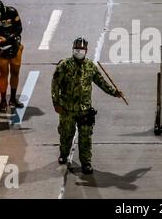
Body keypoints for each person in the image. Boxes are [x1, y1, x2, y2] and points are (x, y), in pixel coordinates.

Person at [51, 37, 123, 174]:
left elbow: (101, 82)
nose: (79, 51)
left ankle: (86, 162)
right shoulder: (64, 66)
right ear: (73, 49)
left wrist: (114, 92)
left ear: (86, 51)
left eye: (81, 49)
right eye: (77, 49)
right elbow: (55, 85)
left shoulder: (90, 66)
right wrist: (56, 103)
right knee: (66, 134)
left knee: (85, 137)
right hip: (67, 108)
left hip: (84, 109)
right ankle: (64, 154)